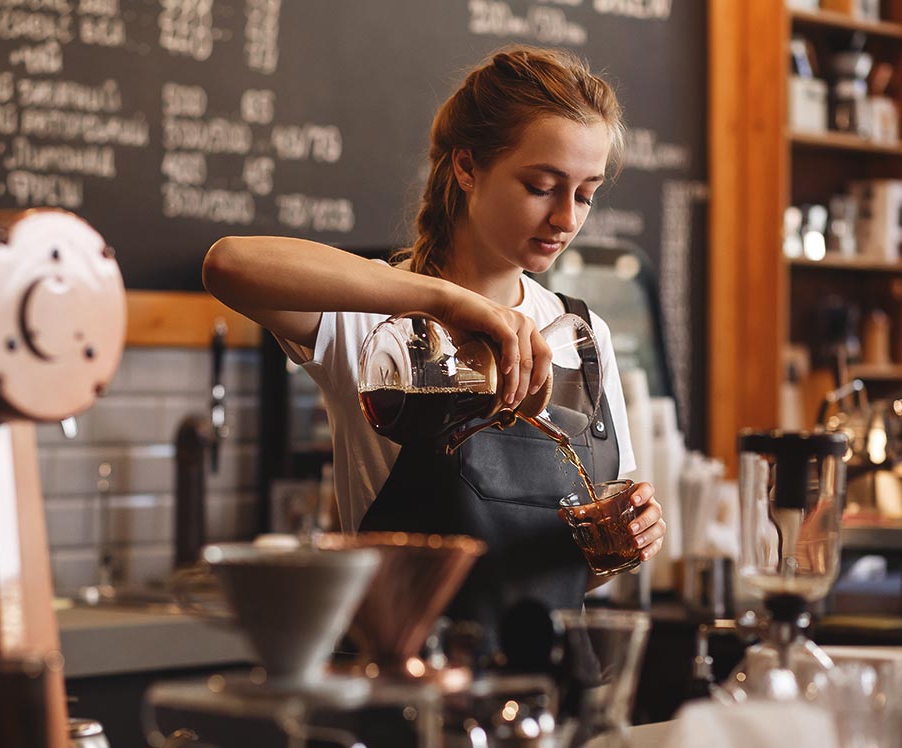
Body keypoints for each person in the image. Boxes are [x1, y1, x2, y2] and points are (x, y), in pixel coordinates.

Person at [203, 45, 665, 642]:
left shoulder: (584, 336)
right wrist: (445, 301)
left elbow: (575, 572)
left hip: (543, 692)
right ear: (467, 167)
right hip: (404, 680)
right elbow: (230, 265)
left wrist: (622, 542)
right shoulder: (379, 324)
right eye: (542, 186)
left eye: (585, 194)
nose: (566, 219)